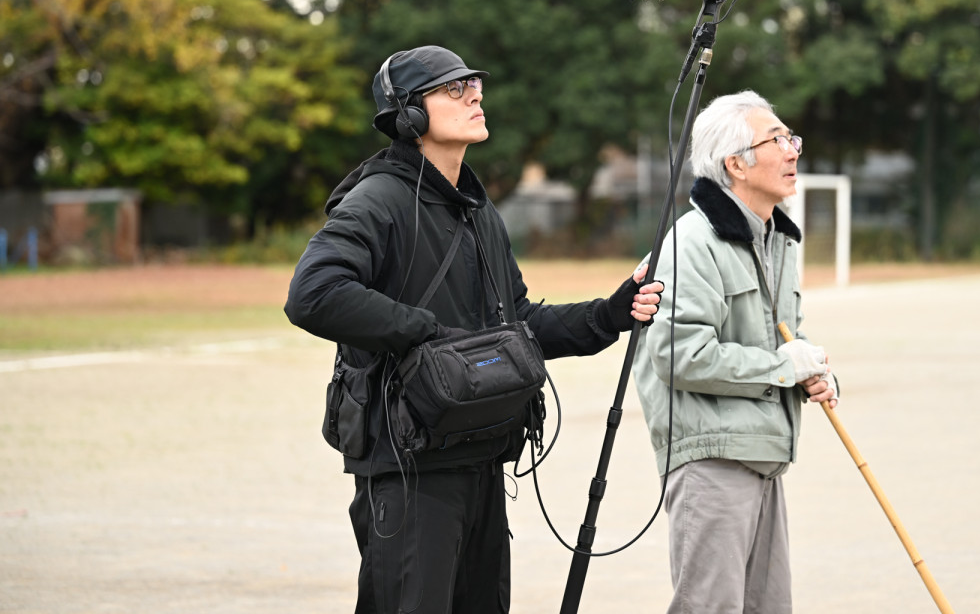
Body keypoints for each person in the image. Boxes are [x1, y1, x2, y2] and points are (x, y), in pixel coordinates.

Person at [284, 45, 663, 614]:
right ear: (409, 114)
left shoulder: (477, 209)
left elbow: (519, 322)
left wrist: (609, 313)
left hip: (482, 457)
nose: (475, 95)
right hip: (410, 468)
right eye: (453, 89)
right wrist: (424, 332)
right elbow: (312, 294)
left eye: (475, 85)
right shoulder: (378, 199)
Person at [632, 90, 838, 614]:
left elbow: (788, 340)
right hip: (711, 457)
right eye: (777, 140)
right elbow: (679, 354)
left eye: (792, 138)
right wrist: (780, 369)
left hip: (764, 456)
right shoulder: (692, 242)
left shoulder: (779, 242)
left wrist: (810, 370)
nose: (793, 150)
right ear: (735, 164)